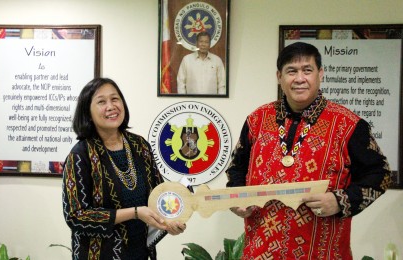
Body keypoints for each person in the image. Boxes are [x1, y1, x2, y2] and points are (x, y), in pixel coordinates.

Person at [226, 42, 391, 259]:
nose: (300, 78)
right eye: (291, 71)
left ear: (320, 74)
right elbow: (236, 169)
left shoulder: (348, 125)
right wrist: (237, 198)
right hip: (259, 251)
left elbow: (381, 174)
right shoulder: (257, 120)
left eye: (307, 70)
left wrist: (341, 201)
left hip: (323, 253)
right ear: (279, 76)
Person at [62, 78, 186, 260]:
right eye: (101, 102)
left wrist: (169, 223)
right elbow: (75, 216)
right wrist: (135, 213)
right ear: (87, 112)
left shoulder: (140, 145)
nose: (111, 106)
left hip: (142, 254)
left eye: (115, 99)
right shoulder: (80, 155)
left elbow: (157, 196)